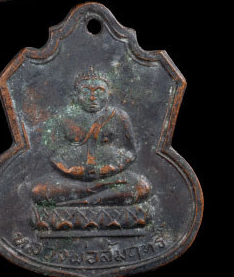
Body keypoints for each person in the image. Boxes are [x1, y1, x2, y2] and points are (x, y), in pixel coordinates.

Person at [32, 68, 151, 206]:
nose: (93, 98)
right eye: (85, 92)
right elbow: (54, 152)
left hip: (111, 178)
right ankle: (95, 195)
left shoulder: (119, 116)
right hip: (72, 180)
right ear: (76, 95)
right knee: (38, 190)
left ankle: (84, 200)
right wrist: (73, 170)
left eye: (99, 92)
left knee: (142, 187)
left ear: (109, 94)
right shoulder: (64, 117)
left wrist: (108, 169)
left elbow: (130, 152)